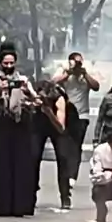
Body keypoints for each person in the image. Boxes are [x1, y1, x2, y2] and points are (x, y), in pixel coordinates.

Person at [0, 43, 41, 217]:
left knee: (20, 166)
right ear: (0, 63)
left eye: (11, 63)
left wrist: (27, 93)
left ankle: (19, 205)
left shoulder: (23, 79)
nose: (8, 67)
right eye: (5, 63)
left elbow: (37, 101)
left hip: (18, 126)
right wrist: (0, 89)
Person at [51, 52, 100, 187]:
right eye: (74, 61)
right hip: (66, 114)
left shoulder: (86, 73)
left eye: (79, 61)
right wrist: (68, 74)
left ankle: (73, 175)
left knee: (76, 146)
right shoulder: (64, 70)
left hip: (82, 115)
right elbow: (53, 82)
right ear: (69, 61)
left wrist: (84, 74)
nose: (77, 64)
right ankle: (66, 173)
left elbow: (96, 86)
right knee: (65, 146)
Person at [32, 77, 76, 210]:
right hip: (39, 126)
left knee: (63, 158)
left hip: (55, 123)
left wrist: (48, 111)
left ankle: (65, 195)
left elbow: (61, 127)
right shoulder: (33, 96)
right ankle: (30, 192)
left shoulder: (58, 98)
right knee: (33, 157)